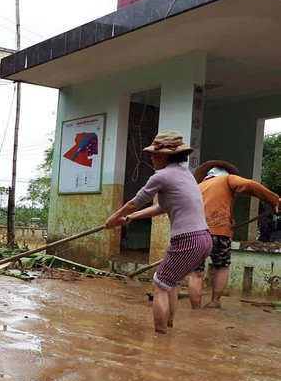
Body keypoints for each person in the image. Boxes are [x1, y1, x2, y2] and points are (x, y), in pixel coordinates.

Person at [104, 130, 212, 334]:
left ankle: (160, 338)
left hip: (187, 239)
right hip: (204, 238)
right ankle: (169, 326)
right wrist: (131, 218)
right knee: (168, 283)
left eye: (153, 154)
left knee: (158, 286)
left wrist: (112, 219)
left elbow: (134, 202)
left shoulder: (162, 175)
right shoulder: (183, 173)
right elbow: (161, 207)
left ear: (163, 155)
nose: (152, 158)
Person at [188, 160, 280, 309]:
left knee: (196, 273)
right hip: (219, 233)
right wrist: (275, 199)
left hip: (195, 234)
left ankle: (196, 310)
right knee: (222, 267)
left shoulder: (197, 187)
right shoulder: (227, 179)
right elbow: (250, 185)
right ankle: (214, 303)